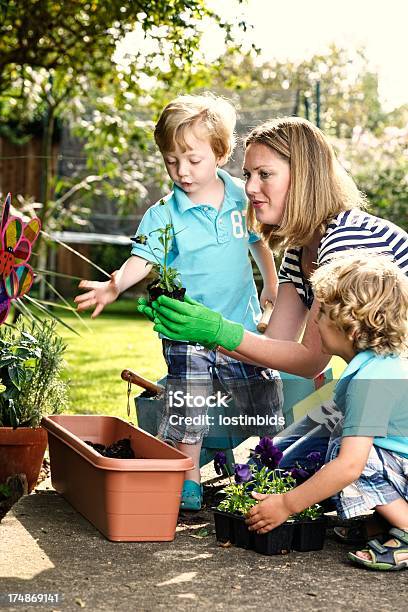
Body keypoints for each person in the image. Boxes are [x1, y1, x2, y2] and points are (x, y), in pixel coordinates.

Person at [140, 116, 408, 468]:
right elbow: (276, 350)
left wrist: (216, 330)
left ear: (305, 177)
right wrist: (196, 331)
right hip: (380, 395)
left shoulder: (346, 241)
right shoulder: (300, 252)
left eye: (264, 174)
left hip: (392, 397)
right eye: (248, 174)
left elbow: (311, 358)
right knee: (262, 464)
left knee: (320, 463)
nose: (250, 188)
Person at [75, 93, 283, 511]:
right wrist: (114, 285)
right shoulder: (163, 214)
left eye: (193, 160)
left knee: (264, 397)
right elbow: (143, 258)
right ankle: (188, 479)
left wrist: (271, 285)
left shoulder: (244, 197)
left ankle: (266, 466)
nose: (182, 172)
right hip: (186, 329)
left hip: (237, 324)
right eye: (172, 161)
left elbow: (260, 243)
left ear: (221, 155)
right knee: (189, 402)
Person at [245, 252, 408, 571]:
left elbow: (349, 467)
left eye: (322, 312)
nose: (314, 320)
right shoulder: (379, 366)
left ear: (351, 328)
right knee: (346, 442)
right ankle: (384, 523)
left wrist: (286, 504)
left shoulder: (371, 379)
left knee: (344, 455)